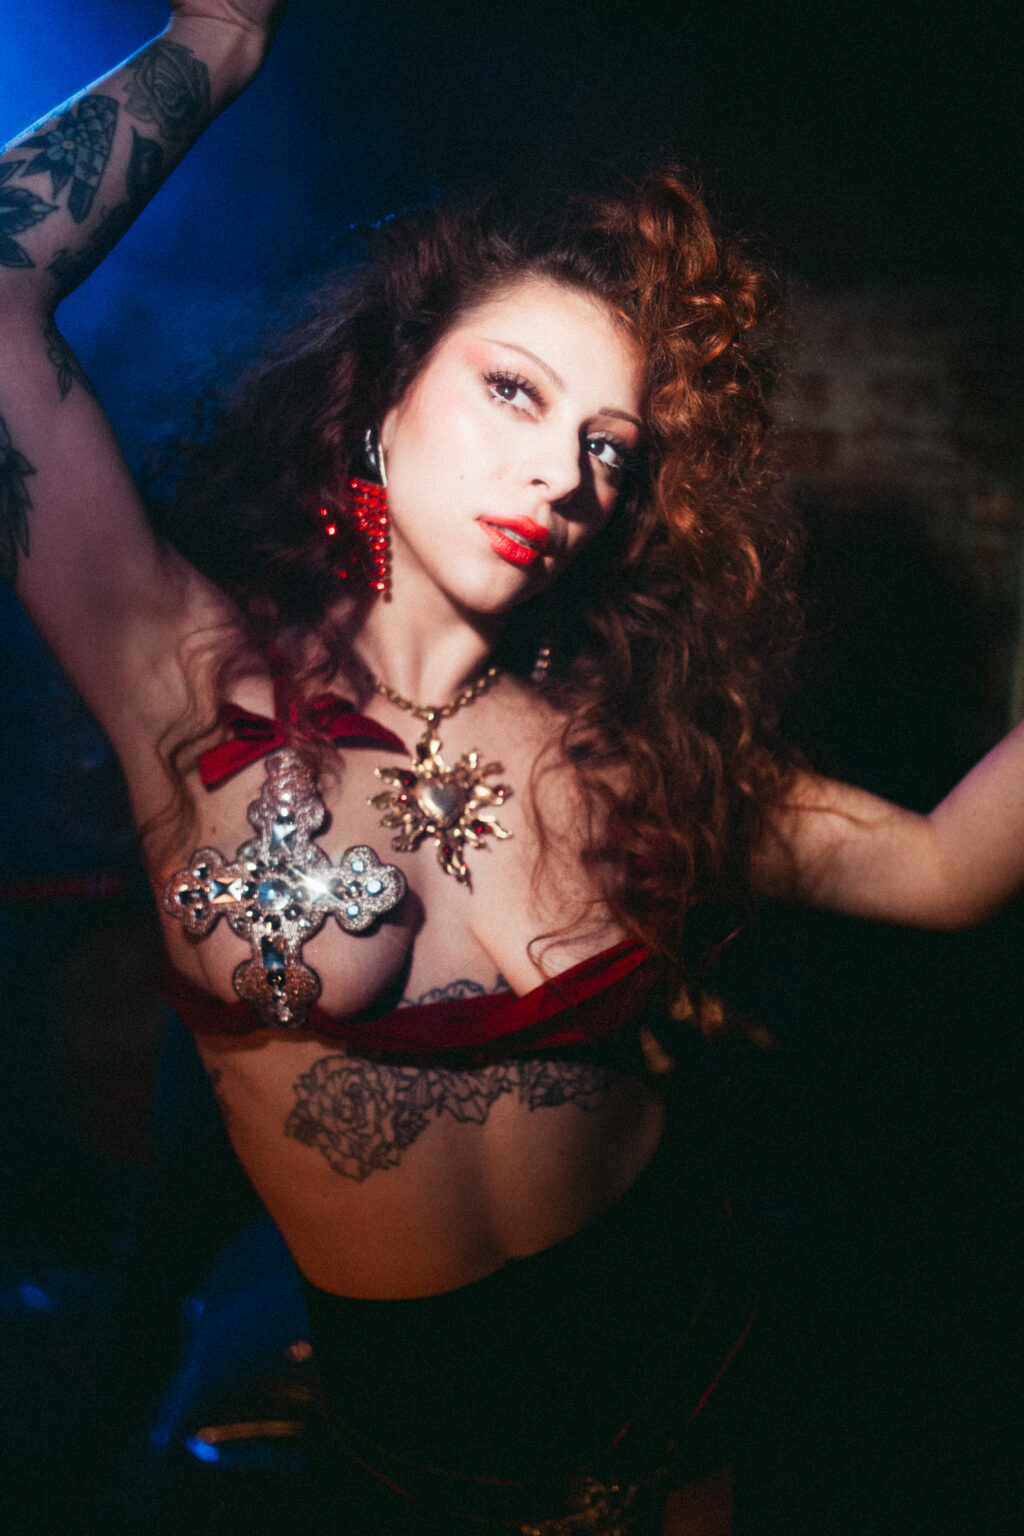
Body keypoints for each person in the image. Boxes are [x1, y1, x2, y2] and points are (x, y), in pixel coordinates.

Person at [2, 4, 1022, 1531]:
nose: (563, 474)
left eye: (611, 448)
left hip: (707, 1363)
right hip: (423, 1460)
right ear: (381, 394)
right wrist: (221, 34)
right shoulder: (181, 676)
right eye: (514, 393)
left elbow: (943, 872)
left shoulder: (626, 748)